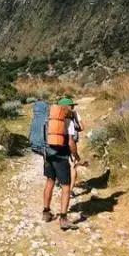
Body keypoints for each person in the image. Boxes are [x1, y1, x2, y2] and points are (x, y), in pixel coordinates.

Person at [42, 97, 81, 230]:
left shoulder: (50, 119)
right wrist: (76, 156)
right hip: (61, 155)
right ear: (67, 107)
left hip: (48, 154)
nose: (73, 109)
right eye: (72, 106)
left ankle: (46, 213)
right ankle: (63, 219)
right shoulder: (68, 121)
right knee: (66, 186)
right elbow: (71, 142)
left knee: (49, 182)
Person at [68, 100, 85, 193]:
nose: (73, 108)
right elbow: (82, 127)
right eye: (72, 106)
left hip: (58, 143)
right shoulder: (74, 113)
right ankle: (69, 190)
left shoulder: (55, 114)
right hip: (71, 142)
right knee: (73, 166)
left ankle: (62, 183)